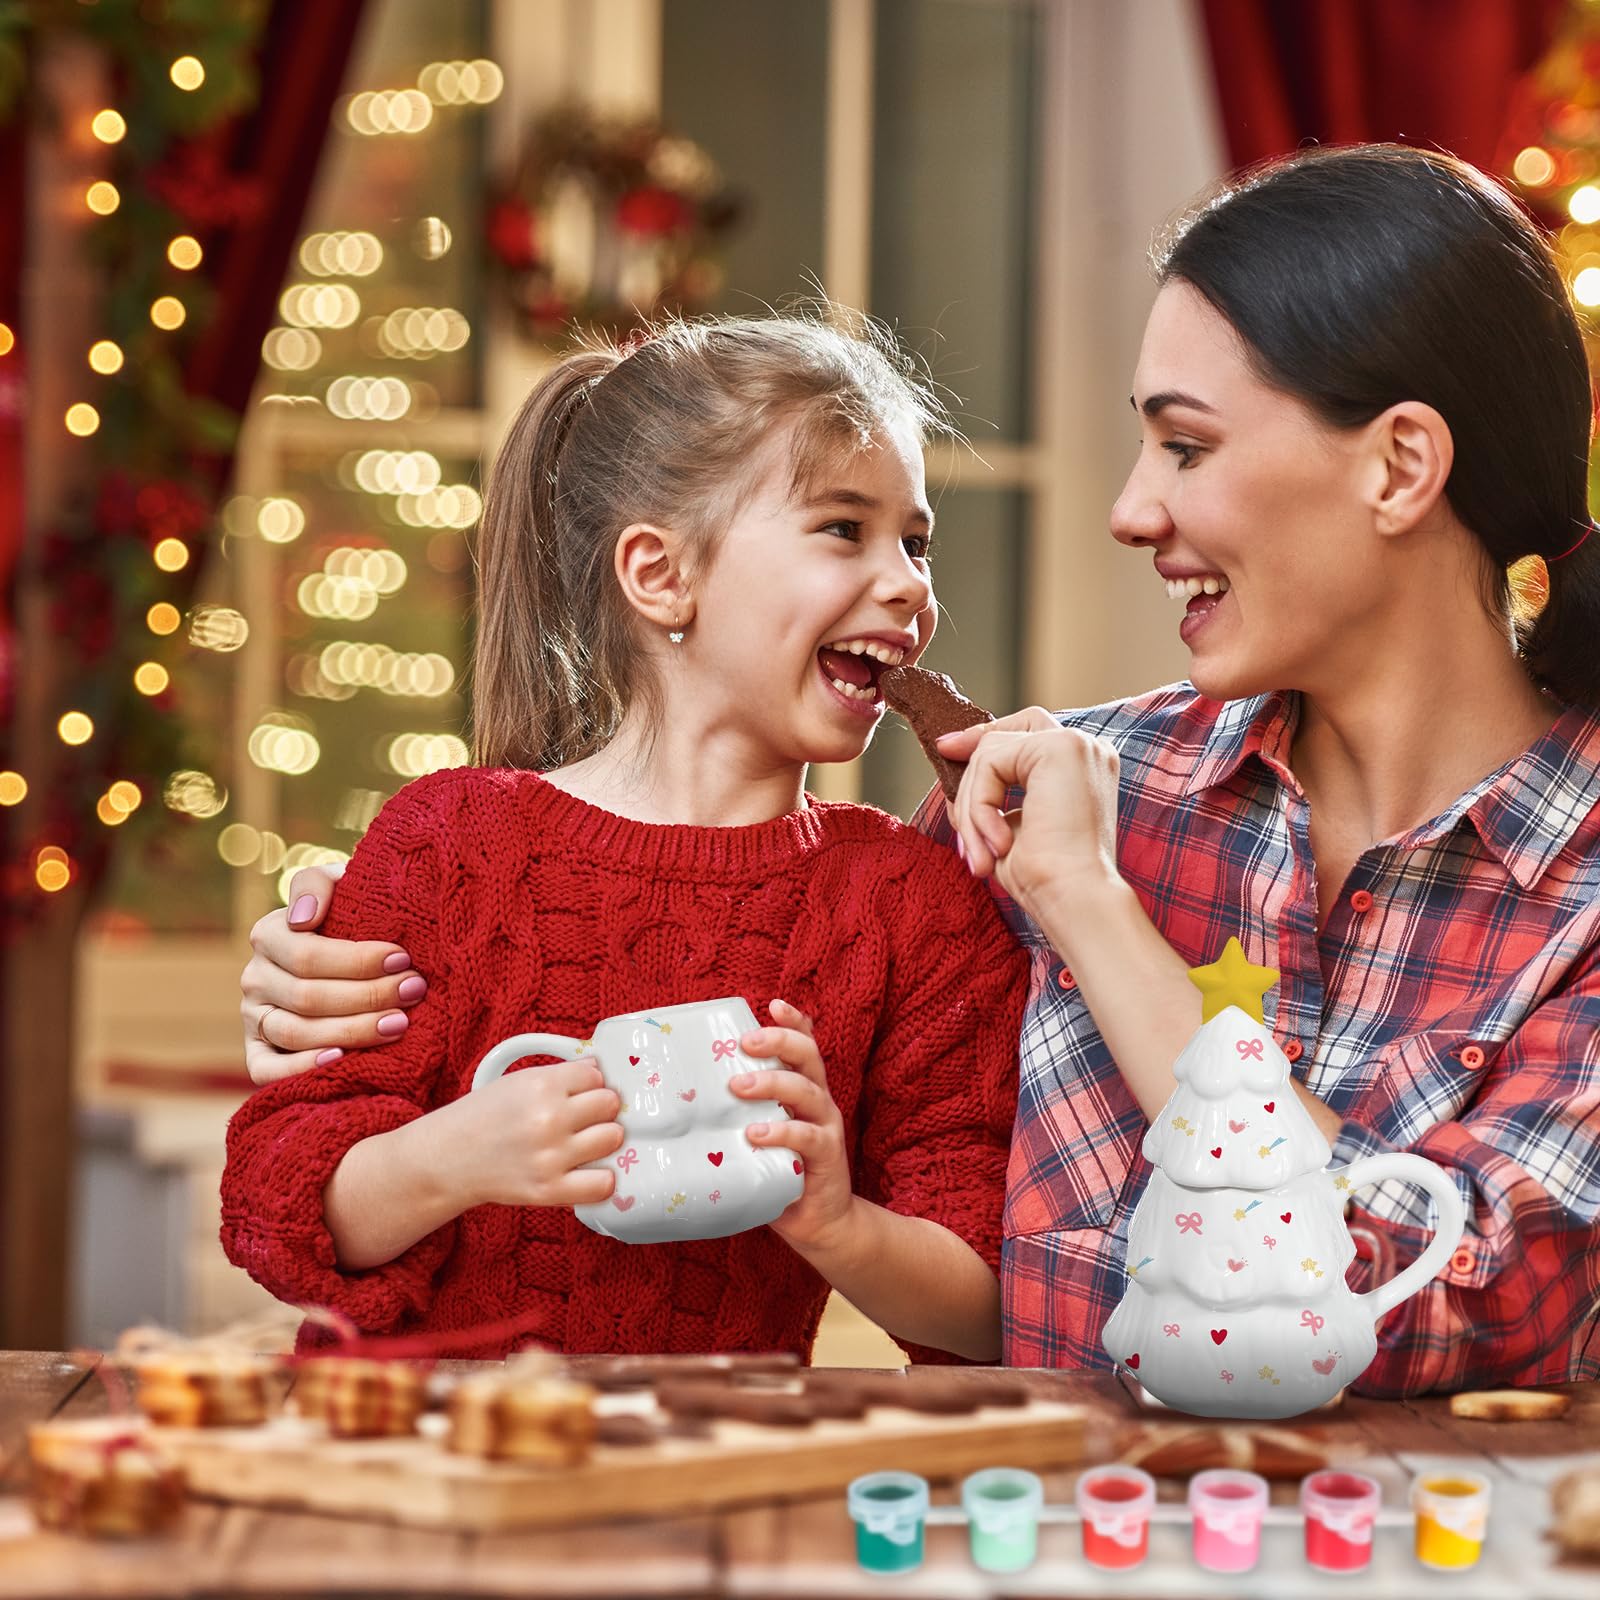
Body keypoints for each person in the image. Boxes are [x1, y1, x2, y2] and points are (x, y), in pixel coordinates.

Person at [243, 143, 1600, 1396]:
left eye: (1186, 445)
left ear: (1402, 465)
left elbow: (1425, 1300)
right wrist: (326, 970)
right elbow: (350, 1124)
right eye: (843, 528)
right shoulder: (1037, 793)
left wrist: (1091, 910)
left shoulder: (1041, 844)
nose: (1131, 510)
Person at [222, 311, 1027, 1363]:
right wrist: (457, 1155)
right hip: (420, 1471)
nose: (911, 585)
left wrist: (841, 1223)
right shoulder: (452, 842)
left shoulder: (912, 903)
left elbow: (988, 1306)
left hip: (712, 1487)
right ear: (659, 576)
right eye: (844, 528)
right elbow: (272, 1210)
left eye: (914, 542)